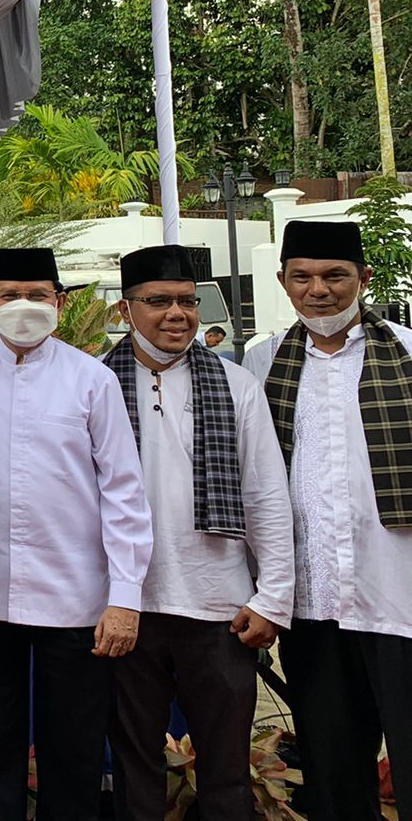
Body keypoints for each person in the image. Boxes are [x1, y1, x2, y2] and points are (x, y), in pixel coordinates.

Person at [0, 247, 152, 821]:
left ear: (59, 302)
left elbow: (124, 493)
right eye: (9, 295)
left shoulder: (93, 379)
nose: (23, 306)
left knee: (74, 750)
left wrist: (125, 597)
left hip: (77, 599)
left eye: (37, 294)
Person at [102, 245, 294, 821]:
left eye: (187, 301)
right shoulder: (93, 385)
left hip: (219, 607)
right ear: (125, 308)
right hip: (125, 606)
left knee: (226, 771)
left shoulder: (236, 385)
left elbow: (266, 494)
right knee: (134, 766)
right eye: (158, 301)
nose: (176, 314)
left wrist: (273, 597)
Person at [243, 219, 412, 821]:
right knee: (333, 770)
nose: (320, 290)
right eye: (303, 277)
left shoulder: (406, 349)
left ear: (363, 279)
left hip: (399, 594)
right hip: (313, 602)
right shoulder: (262, 362)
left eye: (335, 276)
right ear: (284, 282)